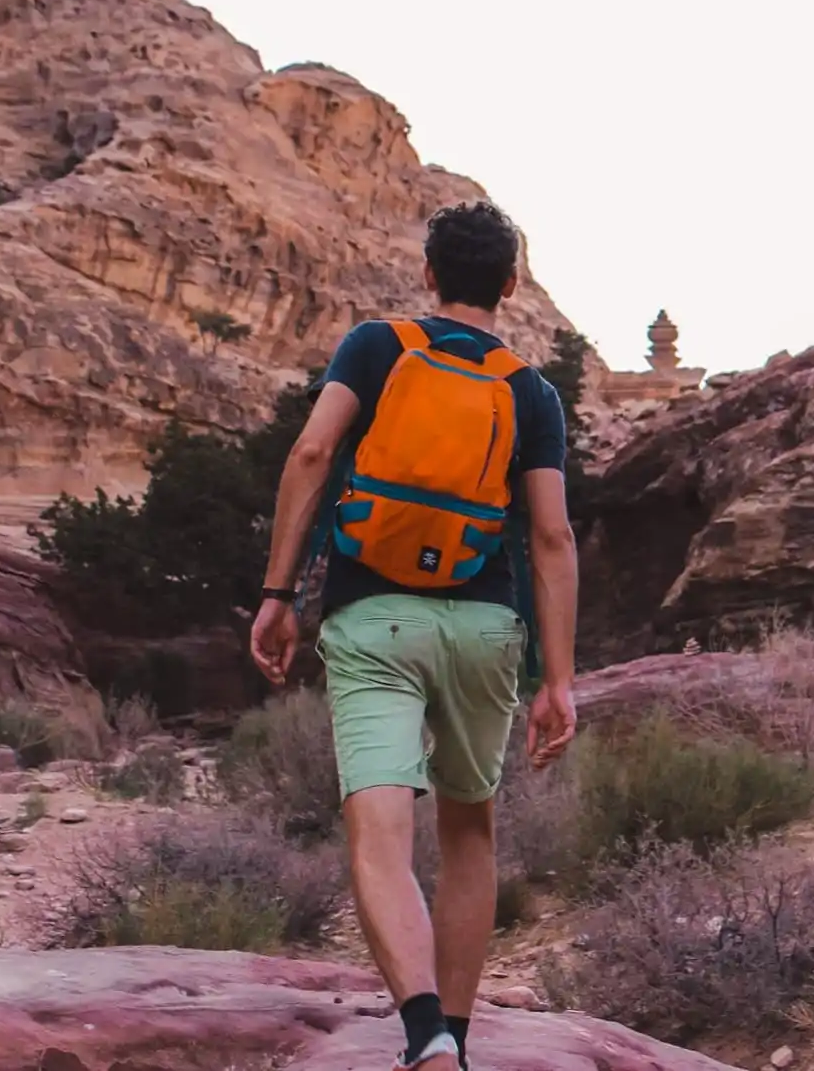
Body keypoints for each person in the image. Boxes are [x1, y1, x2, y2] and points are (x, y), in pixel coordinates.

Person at [250, 199, 579, 1071]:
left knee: (381, 832)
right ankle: (460, 1044)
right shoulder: (530, 390)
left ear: (428, 274)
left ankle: (425, 1035)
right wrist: (560, 678)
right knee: (470, 831)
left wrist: (279, 593)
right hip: (486, 624)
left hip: (372, 618)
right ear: (509, 285)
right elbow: (550, 536)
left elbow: (313, 454)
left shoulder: (377, 346)